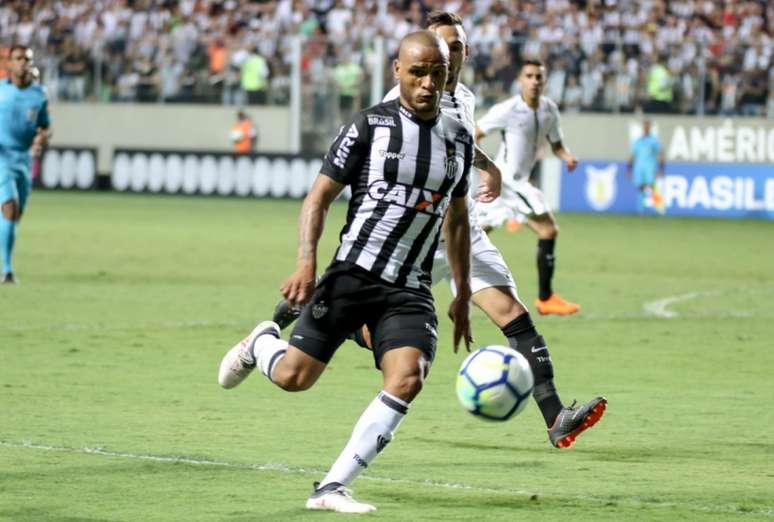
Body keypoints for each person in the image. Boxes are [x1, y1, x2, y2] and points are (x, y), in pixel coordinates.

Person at [274, 11, 606, 453]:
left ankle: (555, 417)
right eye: (439, 46)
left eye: (455, 47)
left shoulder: (464, 96)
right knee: (378, 329)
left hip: (459, 227)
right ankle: (316, 310)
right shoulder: (407, 97)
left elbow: (463, 143)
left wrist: (490, 170)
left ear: (463, 54)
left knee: (512, 312)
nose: (446, 55)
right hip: (413, 235)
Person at [218, 31, 474, 513]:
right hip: (352, 275)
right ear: (396, 71)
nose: (426, 84)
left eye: (437, 74)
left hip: (410, 287)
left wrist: (460, 291)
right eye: (417, 72)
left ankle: (331, 486)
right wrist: (306, 261)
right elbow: (318, 198)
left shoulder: (459, 138)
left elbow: (457, 221)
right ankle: (261, 343)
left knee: (408, 376)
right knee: (295, 378)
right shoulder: (369, 127)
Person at [475, 59, 581, 317]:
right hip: (510, 179)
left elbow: (556, 144)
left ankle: (465, 284)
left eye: (539, 77)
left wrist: (566, 156)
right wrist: (483, 172)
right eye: (529, 76)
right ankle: (545, 298)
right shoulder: (508, 109)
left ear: (544, 82)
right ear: (520, 80)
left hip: (516, 182)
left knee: (476, 232)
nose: (534, 81)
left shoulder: (549, 110)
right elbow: (475, 133)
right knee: (548, 228)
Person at [0, 46, 50, 284]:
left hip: (24, 159)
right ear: (9, 63)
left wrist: (42, 138)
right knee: (10, 207)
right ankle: (7, 270)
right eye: (18, 59)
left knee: (15, 216)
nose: (22, 63)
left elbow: (45, 126)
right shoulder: (0, 90)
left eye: (26, 59)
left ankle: (5, 253)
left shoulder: (39, 94)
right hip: (2, 158)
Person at [627, 119, 664, 214]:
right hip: (639, 168)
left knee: (652, 187)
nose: (646, 128)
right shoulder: (637, 141)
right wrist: (629, 168)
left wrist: (660, 168)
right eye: (644, 126)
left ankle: (659, 208)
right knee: (640, 188)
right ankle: (640, 211)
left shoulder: (654, 140)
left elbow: (660, 153)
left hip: (650, 167)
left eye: (647, 126)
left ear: (650, 127)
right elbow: (632, 155)